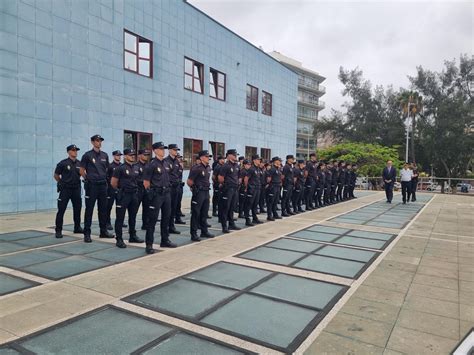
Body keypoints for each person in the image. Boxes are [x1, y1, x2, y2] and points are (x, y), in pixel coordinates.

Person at [143, 142, 177, 254]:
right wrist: (152, 193)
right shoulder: (152, 164)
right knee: (152, 220)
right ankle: (149, 244)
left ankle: (165, 240)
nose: (163, 151)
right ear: (155, 150)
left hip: (166, 193)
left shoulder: (166, 163)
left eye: (164, 149)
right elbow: (146, 182)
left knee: (166, 218)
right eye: (161, 149)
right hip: (156, 194)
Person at [80, 134, 114, 243]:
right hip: (92, 185)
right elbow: (81, 170)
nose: (99, 142)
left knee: (103, 209)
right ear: (92, 142)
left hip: (103, 185)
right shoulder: (87, 155)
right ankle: (87, 233)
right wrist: (88, 179)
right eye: (97, 140)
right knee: (89, 209)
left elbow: (107, 170)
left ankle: (103, 231)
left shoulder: (105, 155)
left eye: (100, 141)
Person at [110, 149, 144, 248]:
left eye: (133, 155)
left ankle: (132, 236)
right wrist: (120, 191)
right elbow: (113, 183)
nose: (132, 156)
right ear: (125, 156)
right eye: (130, 155)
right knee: (120, 217)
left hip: (134, 195)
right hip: (124, 195)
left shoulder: (136, 167)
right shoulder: (120, 168)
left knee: (133, 217)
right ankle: (119, 238)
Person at [54, 144, 83, 238]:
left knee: (77, 209)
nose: (75, 152)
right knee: (61, 210)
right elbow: (56, 175)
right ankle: (58, 230)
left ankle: (77, 227)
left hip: (76, 189)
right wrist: (61, 182)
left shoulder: (80, 163)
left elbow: (83, 173)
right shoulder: (63, 163)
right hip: (65, 189)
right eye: (73, 150)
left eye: (76, 150)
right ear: (69, 152)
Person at [187, 150, 214, 242]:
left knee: (204, 213)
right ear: (202, 157)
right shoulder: (196, 168)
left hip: (206, 192)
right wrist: (195, 189)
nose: (208, 158)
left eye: (209, 157)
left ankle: (204, 231)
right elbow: (189, 181)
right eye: (206, 157)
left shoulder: (208, 168)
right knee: (196, 213)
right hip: (199, 193)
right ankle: (193, 234)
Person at [218, 149, 241, 233]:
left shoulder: (236, 165)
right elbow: (220, 178)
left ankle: (231, 224)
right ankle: (224, 226)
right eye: (234, 155)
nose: (236, 156)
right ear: (229, 155)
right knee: (225, 207)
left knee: (232, 207)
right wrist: (225, 185)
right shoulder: (226, 165)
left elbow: (238, 176)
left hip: (235, 188)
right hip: (228, 189)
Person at [165, 144, 182, 235]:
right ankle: (166, 227)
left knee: (174, 207)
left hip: (176, 187)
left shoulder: (176, 161)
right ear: (170, 150)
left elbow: (178, 173)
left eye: (176, 150)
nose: (176, 152)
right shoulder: (166, 161)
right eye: (174, 150)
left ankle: (171, 226)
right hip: (169, 187)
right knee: (167, 209)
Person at [243, 155, 263, 226]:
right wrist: (246, 187)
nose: (259, 161)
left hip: (257, 188)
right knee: (249, 204)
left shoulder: (258, 168)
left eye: (259, 160)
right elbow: (246, 178)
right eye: (258, 159)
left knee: (255, 204)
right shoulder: (251, 169)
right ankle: (247, 220)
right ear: (254, 160)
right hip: (252, 189)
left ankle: (254, 218)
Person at [106, 150, 123, 231]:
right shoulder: (110, 166)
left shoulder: (122, 166)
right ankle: (107, 222)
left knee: (120, 206)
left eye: (120, 155)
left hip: (120, 189)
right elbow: (107, 177)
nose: (119, 156)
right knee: (109, 206)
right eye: (117, 155)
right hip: (111, 189)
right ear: (113, 156)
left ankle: (120, 222)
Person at [136, 149, 151, 230]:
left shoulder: (149, 165)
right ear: (139, 155)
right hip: (138, 189)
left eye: (147, 155)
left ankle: (145, 224)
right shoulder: (136, 166)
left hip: (147, 190)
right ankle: (132, 226)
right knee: (134, 208)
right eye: (144, 155)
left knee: (147, 208)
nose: (146, 156)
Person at [266, 157, 282, 221]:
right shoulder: (272, 169)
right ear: (275, 161)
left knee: (275, 201)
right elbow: (268, 179)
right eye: (279, 161)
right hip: (273, 186)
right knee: (270, 202)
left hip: (277, 186)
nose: (280, 162)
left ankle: (275, 214)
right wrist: (270, 185)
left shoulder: (278, 168)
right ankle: (269, 215)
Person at [175, 154, 186, 223]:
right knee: (174, 203)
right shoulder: (174, 166)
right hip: (175, 186)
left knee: (178, 202)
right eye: (179, 158)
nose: (180, 159)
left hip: (179, 185)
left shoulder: (179, 166)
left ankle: (178, 217)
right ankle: (176, 217)